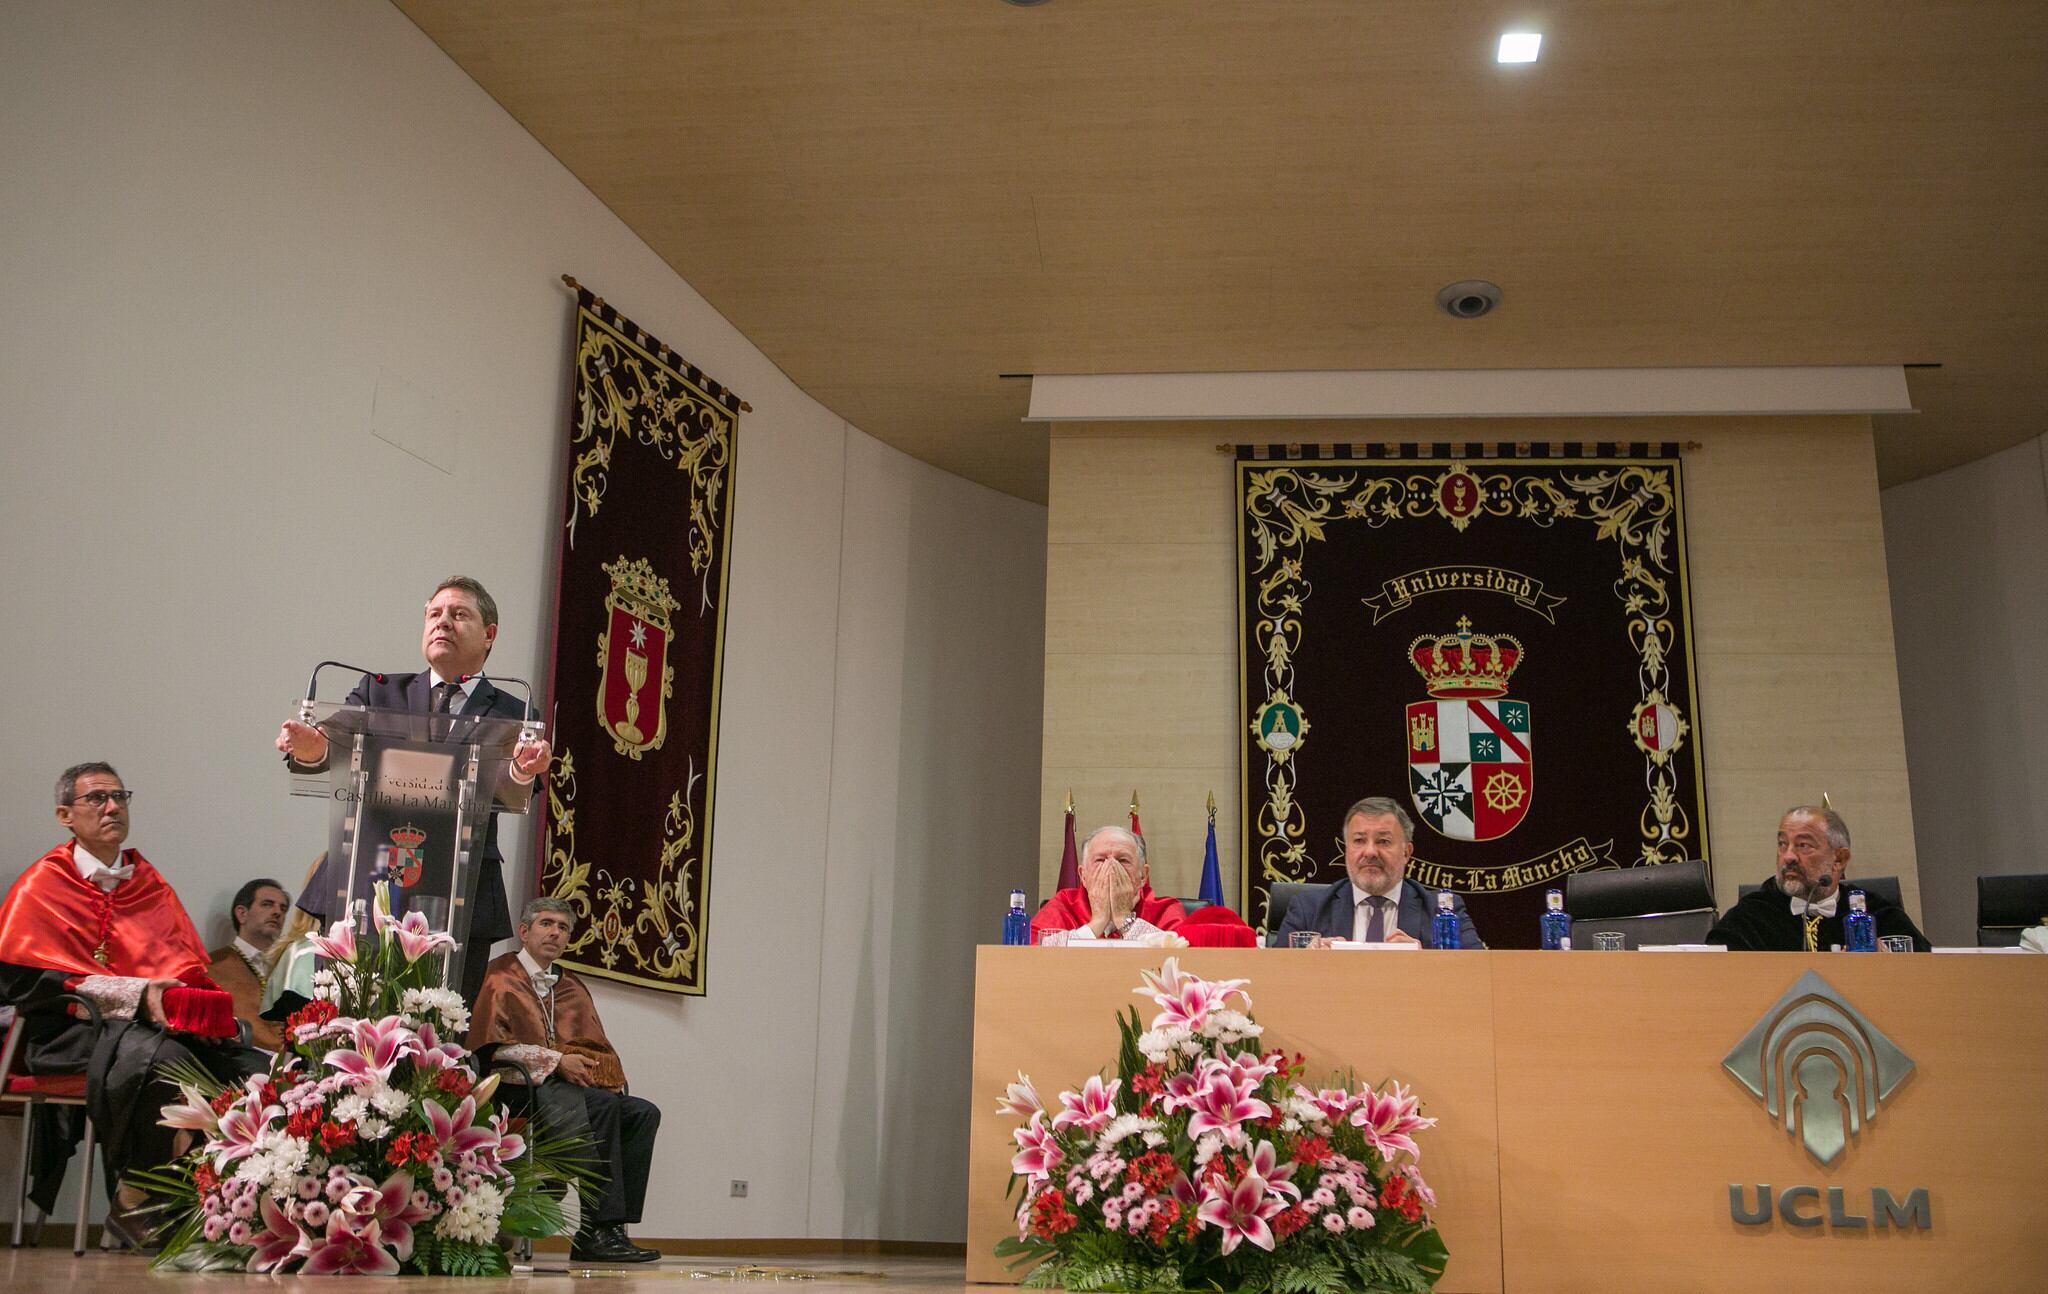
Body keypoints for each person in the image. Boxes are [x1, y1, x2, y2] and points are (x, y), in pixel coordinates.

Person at [0, 763, 265, 1246]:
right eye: (97, 798)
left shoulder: (148, 884)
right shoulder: (42, 886)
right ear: (65, 814)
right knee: (168, 1062)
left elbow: (186, 969)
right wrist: (134, 995)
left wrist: (199, 1007)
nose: (112, 807)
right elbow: (27, 982)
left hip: (150, 1033)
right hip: (70, 1034)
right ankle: (135, 1198)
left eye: (120, 797)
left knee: (249, 1065)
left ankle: (215, 1203)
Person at [275, 576, 551, 1000]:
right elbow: (329, 749)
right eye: (434, 614)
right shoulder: (379, 691)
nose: (443, 622)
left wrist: (520, 771)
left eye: (459, 614)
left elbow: (512, 787)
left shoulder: (515, 711)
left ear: (490, 634)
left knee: (441, 1029)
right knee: (338, 1015)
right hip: (364, 877)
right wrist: (311, 750)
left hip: (464, 887)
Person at [468, 898, 662, 1265]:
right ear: (524, 931)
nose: (555, 932)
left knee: (641, 1112)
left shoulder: (570, 985)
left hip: (570, 1092)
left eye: (563, 927)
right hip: (518, 1090)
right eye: (546, 923)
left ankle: (613, 1228)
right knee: (603, 1107)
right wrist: (555, 1061)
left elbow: (593, 1045)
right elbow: (489, 1049)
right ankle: (595, 1233)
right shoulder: (499, 977)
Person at [1706, 806, 1931, 951]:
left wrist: (1887, 970)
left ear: (1839, 860)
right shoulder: (1751, 917)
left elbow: (1929, 973)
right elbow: (1711, 974)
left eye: (1803, 845)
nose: (1789, 856)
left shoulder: (1876, 913)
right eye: (1783, 844)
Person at [1273, 796, 1484, 948]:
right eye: (1359, 840)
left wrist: (1423, 961)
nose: (1370, 851)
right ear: (1347, 849)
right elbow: (1276, 977)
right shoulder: (1308, 909)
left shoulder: (1443, 911)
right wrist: (1306, 963)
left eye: (1384, 841)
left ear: (1406, 852)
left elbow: (1476, 975)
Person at [1030, 826, 1187, 941]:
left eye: (1123, 860)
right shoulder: (1063, 905)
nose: (1111, 868)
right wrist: (1097, 922)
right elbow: (1035, 957)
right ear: (1082, 875)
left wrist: (1124, 919)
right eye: (1100, 860)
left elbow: (1178, 961)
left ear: (1143, 876)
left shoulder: (1166, 910)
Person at [206, 877, 289, 1050]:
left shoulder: (289, 967)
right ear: (242, 913)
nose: (277, 912)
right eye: (267, 904)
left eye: (283, 908)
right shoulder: (213, 966)